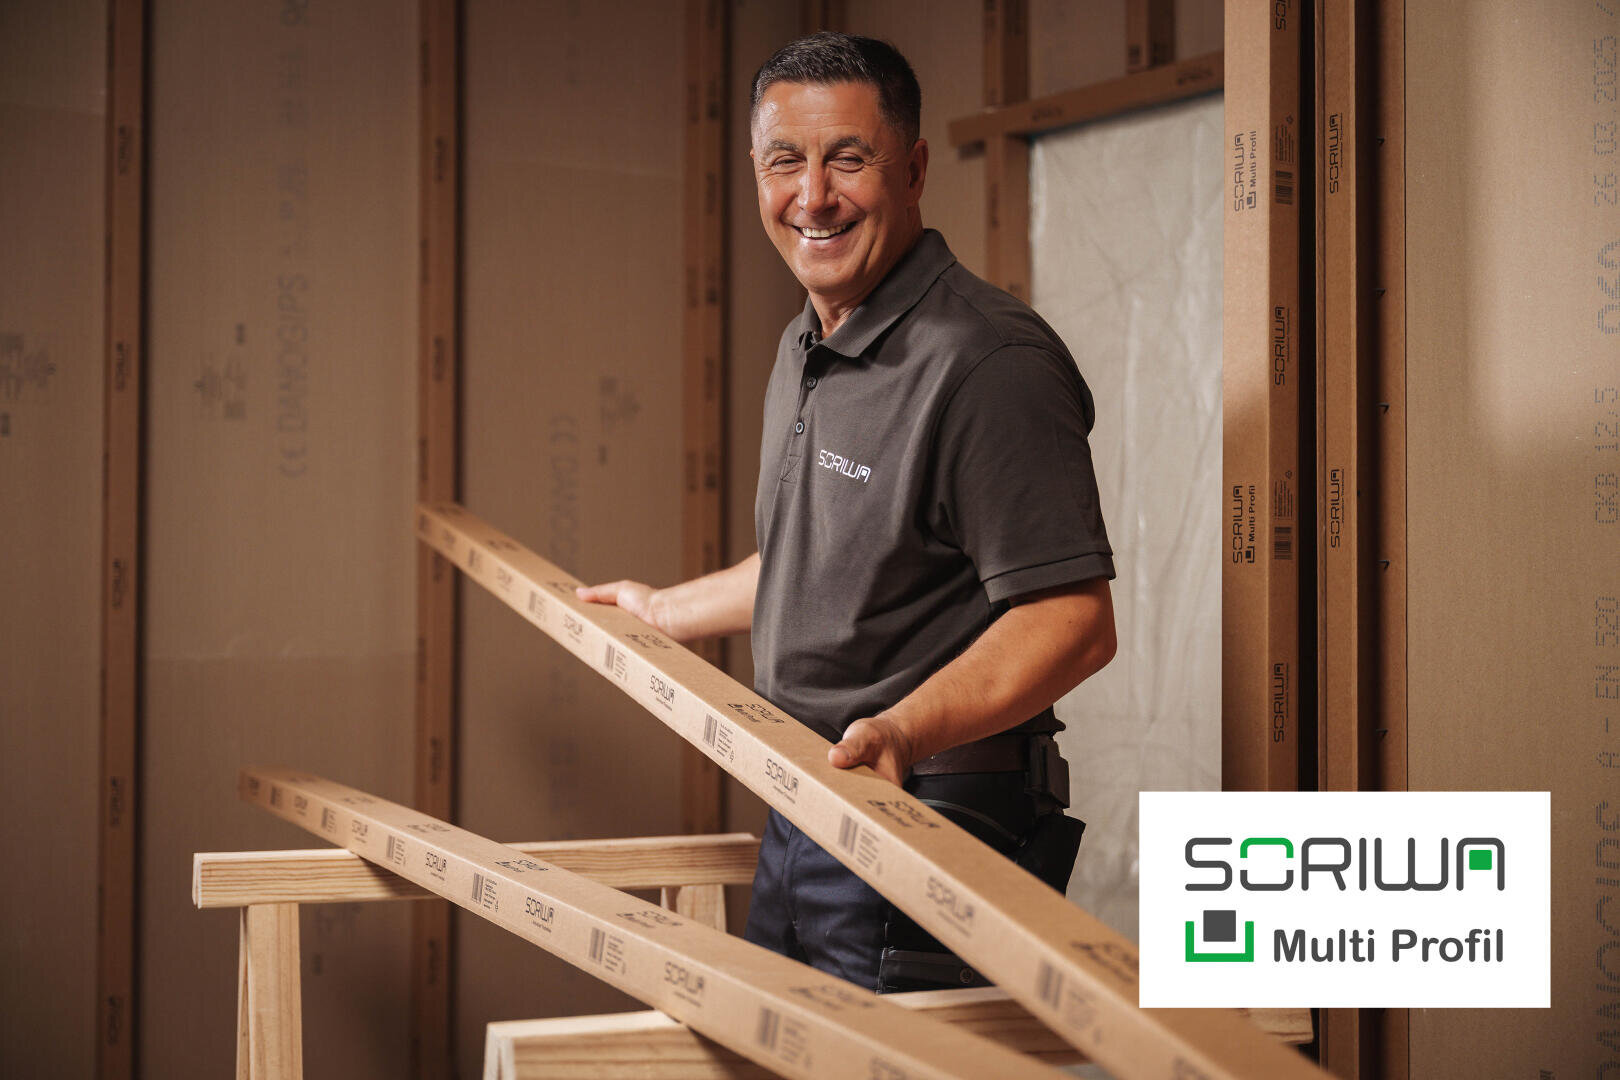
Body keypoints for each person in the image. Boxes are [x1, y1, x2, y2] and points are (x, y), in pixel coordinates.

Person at [577, 31, 1116, 992]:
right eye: (786, 161)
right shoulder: (811, 340)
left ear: (912, 169)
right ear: (756, 172)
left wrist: (906, 729)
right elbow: (820, 556)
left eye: (849, 160)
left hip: (934, 814)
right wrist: (664, 613)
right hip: (809, 802)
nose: (812, 196)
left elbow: (1072, 621)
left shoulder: (985, 365)